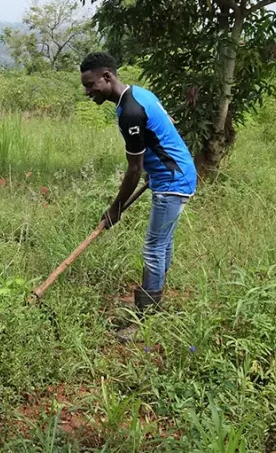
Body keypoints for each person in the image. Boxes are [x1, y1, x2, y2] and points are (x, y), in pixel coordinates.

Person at [79, 52, 197, 342]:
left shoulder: (130, 111)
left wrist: (115, 208)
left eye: (91, 84)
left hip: (172, 182)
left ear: (108, 77)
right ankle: (156, 302)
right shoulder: (140, 94)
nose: (87, 92)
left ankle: (145, 322)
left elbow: (134, 168)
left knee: (153, 248)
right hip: (175, 175)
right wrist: (153, 168)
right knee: (163, 244)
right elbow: (165, 122)